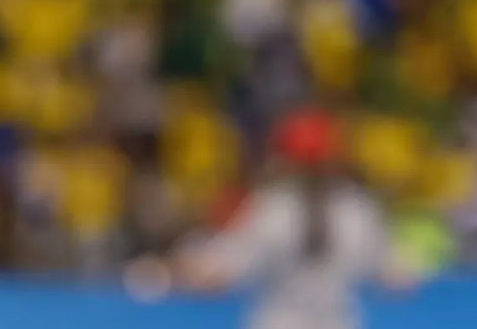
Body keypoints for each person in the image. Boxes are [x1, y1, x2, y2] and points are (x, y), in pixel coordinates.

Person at [171, 109, 414, 329]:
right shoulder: (357, 209)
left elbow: (221, 270)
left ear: (285, 160)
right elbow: (396, 276)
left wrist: (186, 267)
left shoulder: (272, 208)